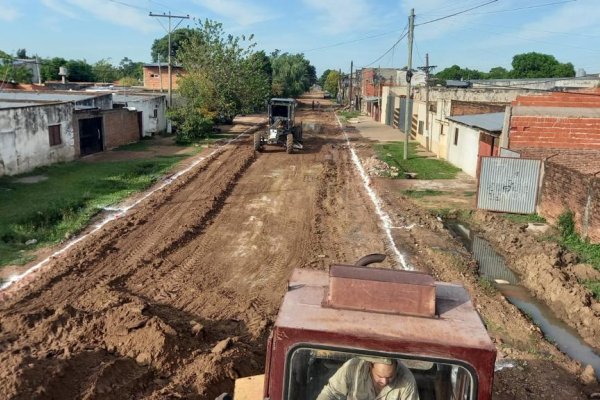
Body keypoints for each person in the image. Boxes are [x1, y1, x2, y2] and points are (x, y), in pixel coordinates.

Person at [316, 357, 419, 400]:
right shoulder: (352, 368)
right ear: (370, 366)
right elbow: (330, 393)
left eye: (390, 377)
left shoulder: (407, 381)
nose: (385, 381)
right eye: (380, 376)